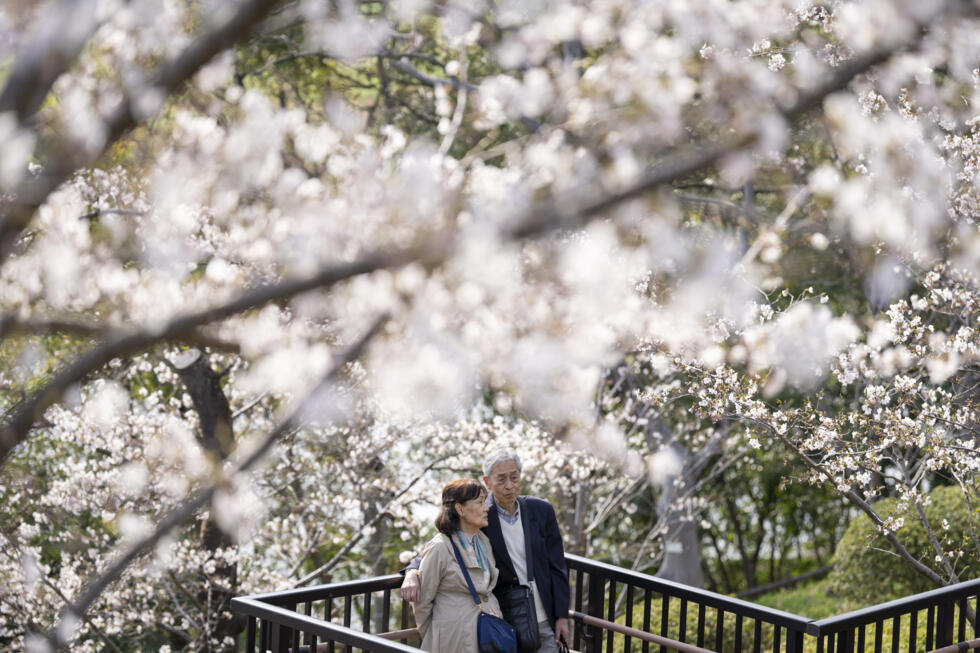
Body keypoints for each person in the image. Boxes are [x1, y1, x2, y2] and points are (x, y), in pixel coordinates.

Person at [403, 449, 571, 652]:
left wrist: (562, 615)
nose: (509, 485)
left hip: (544, 615)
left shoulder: (541, 510)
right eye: (501, 479)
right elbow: (441, 545)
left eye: (514, 477)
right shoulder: (480, 514)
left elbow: (557, 565)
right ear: (487, 481)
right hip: (505, 618)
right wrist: (412, 572)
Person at [413, 478, 505, 652]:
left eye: (485, 501)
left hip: (485, 635)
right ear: (460, 509)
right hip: (453, 640)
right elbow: (422, 602)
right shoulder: (440, 547)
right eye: (480, 502)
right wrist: (437, 635)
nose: (487, 508)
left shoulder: (483, 541)